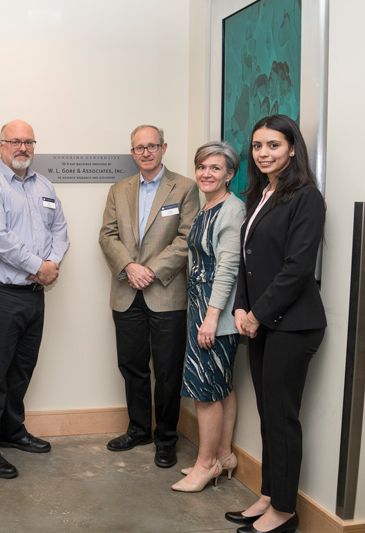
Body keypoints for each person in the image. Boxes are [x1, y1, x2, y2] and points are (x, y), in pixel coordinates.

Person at [225, 115, 326, 533]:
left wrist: (257, 314)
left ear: (292, 149)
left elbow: (297, 268)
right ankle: (269, 494)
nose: (263, 153)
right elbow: (249, 263)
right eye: (258, 146)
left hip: (293, 324)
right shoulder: (261, 194)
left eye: (273, 145)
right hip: (261, 322)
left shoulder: (306, 197)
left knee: (282, 419)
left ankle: (285, 511)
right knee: (268, 417)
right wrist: (241, 309)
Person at [0, 119, 70, 479]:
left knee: (21, 370)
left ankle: (11, 432)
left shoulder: (44, 185)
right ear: (1, 145)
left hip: (33, 295)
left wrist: (51, 263)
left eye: (28, 142)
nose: (22, 148)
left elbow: (60, 229)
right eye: (15, 141)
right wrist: (38, 265)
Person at [99, 124, 199, 468]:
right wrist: (129, 266)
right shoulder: (118, 189)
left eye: (152, 146)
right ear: (132, 152)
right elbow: (107, 236)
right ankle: (139, 428)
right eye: (139, 147)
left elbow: (186, 239)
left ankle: (166, 439)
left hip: (167, 293)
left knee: (168, 370)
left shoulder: (185, 187)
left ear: (163, 148)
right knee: (132, 366)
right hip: (127, 292)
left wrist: (151, 270)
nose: (145, 152)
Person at [171, 141, 245, 493]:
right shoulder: (207, 207)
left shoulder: (233, 210)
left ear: (230, 174)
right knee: (221, 385)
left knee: (205, 390)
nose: (206, 173)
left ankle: (206, 465)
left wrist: (212, 317)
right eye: (202, 167)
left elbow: (229, 269)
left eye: (216, 168)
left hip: (216, 310)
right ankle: (223, 455)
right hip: (202, 305)